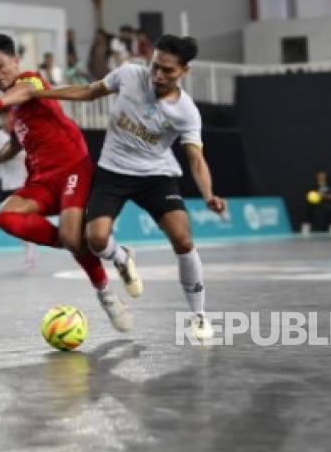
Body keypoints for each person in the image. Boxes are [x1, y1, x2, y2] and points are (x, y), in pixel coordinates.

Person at [29, 34, 227, 340]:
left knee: (183, 238)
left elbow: (196, 159)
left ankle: (199, 316)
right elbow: (89, 91)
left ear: (184, 71)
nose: (158, 75)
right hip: (113, 172)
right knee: (95, 239)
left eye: (168, 70)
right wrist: (41, 94)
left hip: (155, 177)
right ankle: (122, 258)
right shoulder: (129, 75)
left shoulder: (186, 111)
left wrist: (208, 194)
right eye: (155, 66)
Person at [0, 32, 131, 332]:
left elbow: (26, 92)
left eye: (0, 65)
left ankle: (106, 293)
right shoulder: (14, 113)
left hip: (72, 169)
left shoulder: (31, 81)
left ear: (16, 61)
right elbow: (14, 146)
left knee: (72, 238)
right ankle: (83, 244)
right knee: (6, 217)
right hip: (41, 180)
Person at [0, 108, 36, 268]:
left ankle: (30, 252)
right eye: (2, 118)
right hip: (8, 185)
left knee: (24, 217)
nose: (6, 121)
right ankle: (28, 247)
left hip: (26, 183)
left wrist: (10, 154)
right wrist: (8, 154)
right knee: (13, 220)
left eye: (8, 117)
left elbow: (31, 153)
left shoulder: (24, 133)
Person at [301, 170, 331, 235]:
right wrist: (314, 197)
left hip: (326, 202)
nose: (321, 176)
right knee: (307, 208)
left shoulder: (330, 186)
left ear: (326, 176)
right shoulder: (313, 185)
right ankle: (306, 226)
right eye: (320, 175)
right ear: (316, 176)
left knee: (329, 208)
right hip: (314, 203)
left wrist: (323, 196)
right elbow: (308, 195)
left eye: (323, 175)